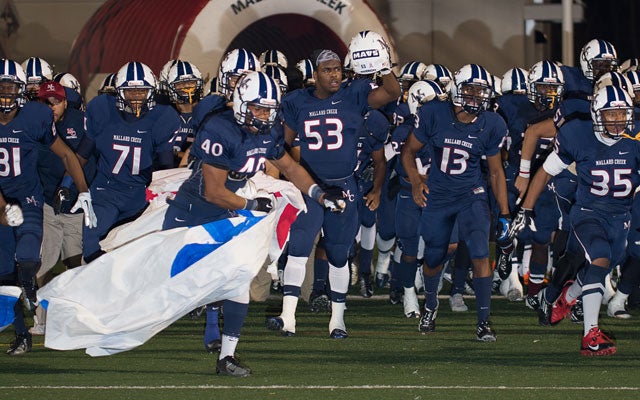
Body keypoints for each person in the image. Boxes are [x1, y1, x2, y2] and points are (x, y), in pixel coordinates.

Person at [162, 71, 344, 376]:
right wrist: (250, 204)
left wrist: (319, 194)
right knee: (161, 292)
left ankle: (226, 357)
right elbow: (214, 191)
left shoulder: (268, 132)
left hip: (223, 213)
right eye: (258, 108)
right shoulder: (219, 128)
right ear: (241, 104)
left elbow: (289, 166)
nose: (264, 115)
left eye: (268, 110)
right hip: (193, 212)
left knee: (237, 282)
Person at [266, 31, 401, 339]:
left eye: (338, 68)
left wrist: (382, 67)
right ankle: (288, 317)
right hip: (310, 185)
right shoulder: (296, 101)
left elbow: (391, 92)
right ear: (314, 75)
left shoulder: (355, 93)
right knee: (299, 248)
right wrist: (286, 175)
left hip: (344, 186)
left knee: (339, 254)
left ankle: (337, 319)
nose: (335, 74)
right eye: (327, 69)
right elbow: (282, 146)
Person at [512, 85, 639, 356]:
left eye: (622, 113)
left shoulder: (635, 139)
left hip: (621, 217)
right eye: (611, 114)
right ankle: (590, 336)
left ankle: (567, 297)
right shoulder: (578, 136)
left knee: (602, 268)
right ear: (597, 115)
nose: (618, 120)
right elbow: (545, 172)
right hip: (588, 213)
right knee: (599, 259)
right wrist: (526, 208)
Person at [401, 63, 511, 342]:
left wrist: (505, 213)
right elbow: (408, 152)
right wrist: (416, 181)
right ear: (456, 90)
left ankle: (484, 321)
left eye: (481, 91)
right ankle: (431, 305)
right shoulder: (433, 113)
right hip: (438, 195)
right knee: (435, 257)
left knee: (480, 252)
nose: (476, 97)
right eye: (471, 90)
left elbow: (496, 171)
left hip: (471, 195)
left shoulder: (492, 123)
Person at [0, 58, 95, 352]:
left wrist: (83, 191)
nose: (5, 95)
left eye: (9, 88)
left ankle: (29, 286)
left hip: (28, 195)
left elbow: (67, 155)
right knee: (4, 274)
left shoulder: (36, 117)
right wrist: (2, 207)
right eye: (0, 88)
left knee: (28, 254)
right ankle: (22, 334)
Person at [75, 61, 180, 263]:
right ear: (119, 92)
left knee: (132, 252)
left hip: (141, 192)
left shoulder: (163, 117)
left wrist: (165, 194)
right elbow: (82, 154)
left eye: (142, 91)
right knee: (91, 242)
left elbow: (166, 166)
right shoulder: (102, 109)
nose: (137, 97)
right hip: (107, 189)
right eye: (131, 92)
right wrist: (68, 185)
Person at [32, 81, 95, 335]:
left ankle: (76, 318)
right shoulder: (32, 123)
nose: (51, 107)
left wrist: (75, 190)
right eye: (45, 102)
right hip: (47, 202)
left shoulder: (81, 122)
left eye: (54, 102)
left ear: (65, 101)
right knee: (44, 263)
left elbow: (85, 157)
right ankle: (41, 317)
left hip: (76, 206)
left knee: (76, 265)